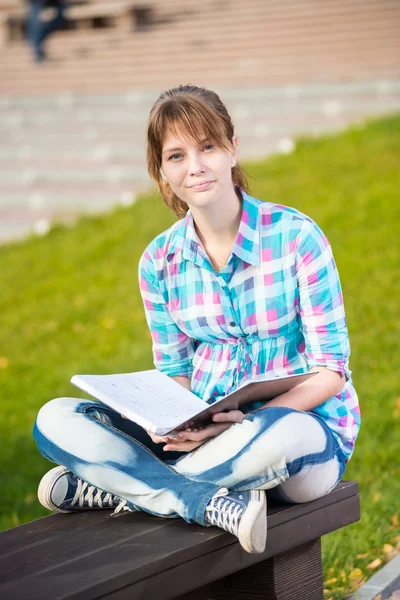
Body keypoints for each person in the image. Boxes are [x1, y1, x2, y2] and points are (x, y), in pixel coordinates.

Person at [33, 84, 360, 555]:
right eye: (177, 155)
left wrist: (243, 424)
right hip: (201, 438)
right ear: (162, 171)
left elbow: (330, 371)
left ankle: (118, 487)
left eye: (208, 147)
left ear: (232, 150)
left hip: (299, 431)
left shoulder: (296, 238)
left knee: (279, 435)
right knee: (55, 417)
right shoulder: (158, 261)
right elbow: (175, 375)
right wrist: (176, 422)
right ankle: (198, 500)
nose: (196, 166)